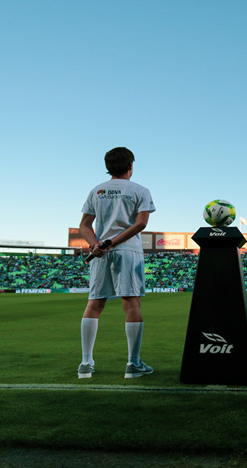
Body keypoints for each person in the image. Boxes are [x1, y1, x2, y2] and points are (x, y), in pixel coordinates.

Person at [77, 147, 156, 379]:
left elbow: (84, 225)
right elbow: (141, 224)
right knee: (131, 303)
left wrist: (95, 245)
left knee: (94, 304)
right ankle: (133, 364)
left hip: (100, 253)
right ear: (131, 165)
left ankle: (85, 364)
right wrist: (109, 244)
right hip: (127, 251)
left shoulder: (97, 190)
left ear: (108, 166)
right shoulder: (140, 190)